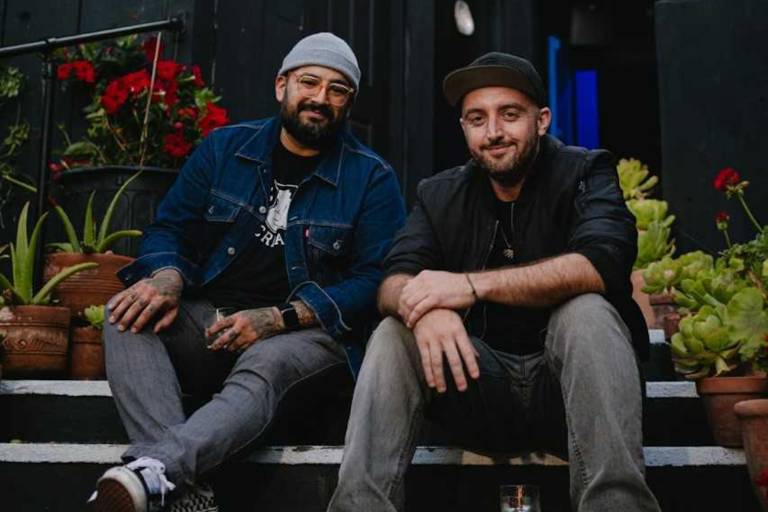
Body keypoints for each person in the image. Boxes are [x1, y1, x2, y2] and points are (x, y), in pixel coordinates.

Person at [327, 52, 661, 512]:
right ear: (464, 128)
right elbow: (392, 279)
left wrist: (468, 286)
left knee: (585, 310)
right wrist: (424, 309)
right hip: (476, 388)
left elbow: (601, 263)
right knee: (394, 329)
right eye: (476, 119)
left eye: (509, 115)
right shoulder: (439, 193)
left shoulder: (586, 172)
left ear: (541, 120)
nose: (494, 132)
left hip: (568, 396)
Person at [88, 32, 405, 512]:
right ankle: (174, 487)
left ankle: (156, 471)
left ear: (348, 104)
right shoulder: (223, 150)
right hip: (213, 322)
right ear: (282, 85)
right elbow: (169, 228)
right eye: (309, 82)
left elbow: (375, 281)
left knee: (268, 360)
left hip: (308, 335)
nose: (320, 98)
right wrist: (168, 277)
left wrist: (278, 318)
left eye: (337, 90)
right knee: (125, 314)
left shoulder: (371, 178)